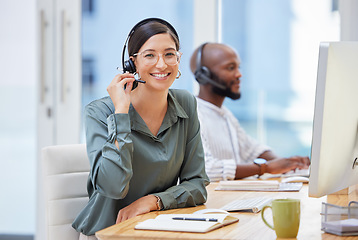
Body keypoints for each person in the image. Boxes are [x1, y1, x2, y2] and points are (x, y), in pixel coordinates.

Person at [73, 18, 209, 239]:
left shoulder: (185, 103)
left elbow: (197, 184)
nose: (162, 64)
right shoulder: (99, 112)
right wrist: (121, 113)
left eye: (169, 54)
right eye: (149, 55)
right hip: (109, 233)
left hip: (158, 226)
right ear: (132, 63)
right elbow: (112, 187)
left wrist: (152, 201)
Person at [190, 42, 310, 182]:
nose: (239, 74)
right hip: (214, 201)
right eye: (230, 68)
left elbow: (252, 149)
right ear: (203, 75)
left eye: (238, 67)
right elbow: (206, 169)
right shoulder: (194, 114)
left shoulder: (225, 114)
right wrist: (265, 168)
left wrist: (288, 164)